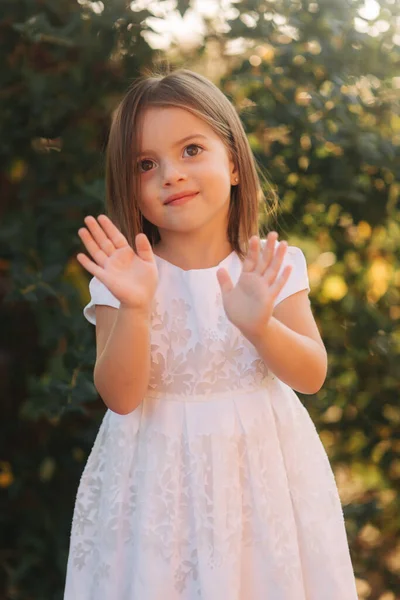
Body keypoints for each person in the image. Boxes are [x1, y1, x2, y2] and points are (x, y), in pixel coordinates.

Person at [63, 68, 358, 600]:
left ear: (235, 163)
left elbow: (311, 375)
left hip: (261, 483)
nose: (170, 174)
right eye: (145, 165)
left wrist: (260, 326)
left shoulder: (272, 265)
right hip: (155, 487)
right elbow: (121, 397)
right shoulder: (123, 276)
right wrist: (134, 306)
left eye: (192, 149)